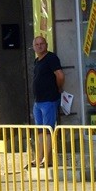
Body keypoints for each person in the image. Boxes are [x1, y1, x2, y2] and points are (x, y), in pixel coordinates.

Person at [31, 36, 64, 168]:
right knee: (40, 131)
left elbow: (60, 75)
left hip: (49, 100)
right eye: (37, 44)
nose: (39, 46)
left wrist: (58, 88)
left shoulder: (51, 58)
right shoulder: (36, 61)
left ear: (46, 44)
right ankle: (38, 158)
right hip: (38, 102)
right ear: (34, 47)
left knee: (48, 130)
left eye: (42, 44)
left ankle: (47, 159)